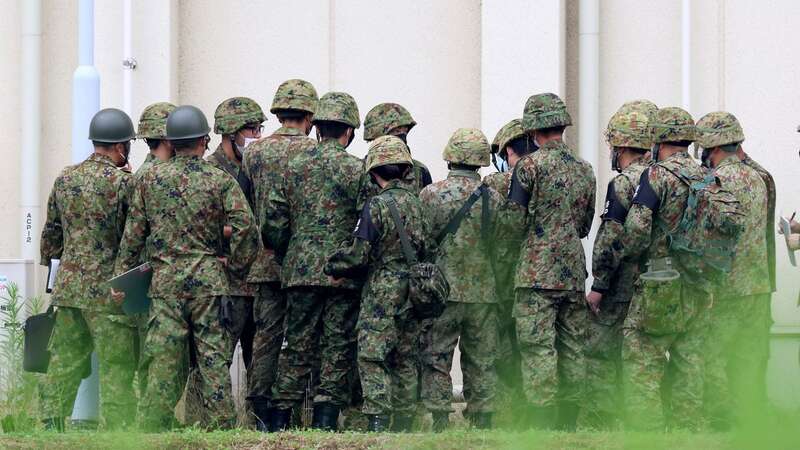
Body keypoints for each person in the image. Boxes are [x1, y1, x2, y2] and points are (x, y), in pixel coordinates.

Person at [114, 105, 259, 431]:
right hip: (209, 284)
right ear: (204, 140)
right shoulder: (218, 179)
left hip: (165, 286)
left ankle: (153, 427)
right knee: (212, 360)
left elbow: (133, 234)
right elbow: (247, 230)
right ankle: (221, 428)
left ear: (172, 141)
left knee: (163, 360)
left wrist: (122, 277)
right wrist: (234, 267)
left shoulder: (149, 179)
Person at [264, 92, 364, 432]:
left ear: (317, 127)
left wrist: (288, 253)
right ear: (348, 131)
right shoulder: (357, 169)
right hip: (343, 273)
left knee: (295, 345)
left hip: (300, 271)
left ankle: (279, 421)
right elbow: (369, 224)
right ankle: (324, 422)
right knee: (337, 346)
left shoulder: (293, 167)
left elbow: (274, 223)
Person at [39, 108, 138, 431]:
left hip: (69, 288)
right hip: (110, 289)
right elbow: (134, 236)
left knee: (63, 360)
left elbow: (51, 235)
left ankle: (51, 424)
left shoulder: (66, 178)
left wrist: (56, 274)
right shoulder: (124, 183)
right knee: (116, 364)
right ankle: (118, 429)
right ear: (120, 146)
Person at [325, 135, 429, 432]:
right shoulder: (418, 202)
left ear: (373, 172)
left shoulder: (376, 205)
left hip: (383, 288)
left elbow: (359, 254)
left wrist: (334, 266)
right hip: (414, 288)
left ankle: (378, 419)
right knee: (406, 355)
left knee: (373, 353)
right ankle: (406, 421)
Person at [508, 93, 595, 430]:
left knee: (538, 347)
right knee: (573, 345)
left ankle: (543, 421)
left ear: (532, 131)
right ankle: (569, 422)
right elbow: (585, 225)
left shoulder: (528, 167)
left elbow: (513, 222)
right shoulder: (585, 169)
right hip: (573, 272)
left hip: (535, 273)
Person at [621, 107, 708, 431]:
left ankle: (648, 429)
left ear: (659, 141)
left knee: (642, 352)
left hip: (660, 279)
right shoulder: (706, 176)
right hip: (699, 281)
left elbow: (636, 230)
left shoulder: (656, 175)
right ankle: (688, 427)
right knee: (689, 355)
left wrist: (627, 256)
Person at [242, 79, 319, 431]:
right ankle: (294, 411)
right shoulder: (313, 153)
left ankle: (259, 412)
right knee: (304, 339)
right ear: (309, 115)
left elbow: (244, 204)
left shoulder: (254, 152)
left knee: (266, 339)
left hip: (265, 260)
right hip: (305, 262)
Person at [420, 128, 504, 431]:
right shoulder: (494, 199)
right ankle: (483, 418)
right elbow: (500, 244)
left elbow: (421, 241)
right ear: (480, 161)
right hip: (484, 291)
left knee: (436, 355)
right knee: (482, 357)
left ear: (450, 156)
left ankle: (440, 418)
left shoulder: (430, 194)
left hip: (441, 291)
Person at [696, 112, 770, 430]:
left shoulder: (715, 182)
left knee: (714, 354)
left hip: (725, 287)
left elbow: (707, 236)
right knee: (748, 356)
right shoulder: (758, 178)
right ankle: (751, 417)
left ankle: (722, 419)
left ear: (710, 149)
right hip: (757, 285)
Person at [582, 104, 654, 429]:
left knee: (601, 351)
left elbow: (610, 240)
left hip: (623, 287)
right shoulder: (664, 177)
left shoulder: (624, 183)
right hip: (659, 284)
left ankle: (603, 420)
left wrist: (598, 286)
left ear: (621, 146)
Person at [208, 97, 266, 371]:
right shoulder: (209, 172)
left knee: (261, 365)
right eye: (252, 130)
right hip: (226, 285)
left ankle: (256, 416)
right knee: (215, 364)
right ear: (232, 134)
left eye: (259, 130)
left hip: (259, 282)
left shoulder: (261, 168)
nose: (257, 136)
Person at [484, 119, 534, 399]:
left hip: (500, 273)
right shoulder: (545, 175)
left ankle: (506, 402)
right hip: (538, 274)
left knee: (500, 340)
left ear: (507, 153)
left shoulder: (494, 182)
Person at [363, 102, 433, 193]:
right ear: (378, 136)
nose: (402, 136)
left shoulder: (419, 171)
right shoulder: (360, 171)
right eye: (396, 131)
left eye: (405, 131)